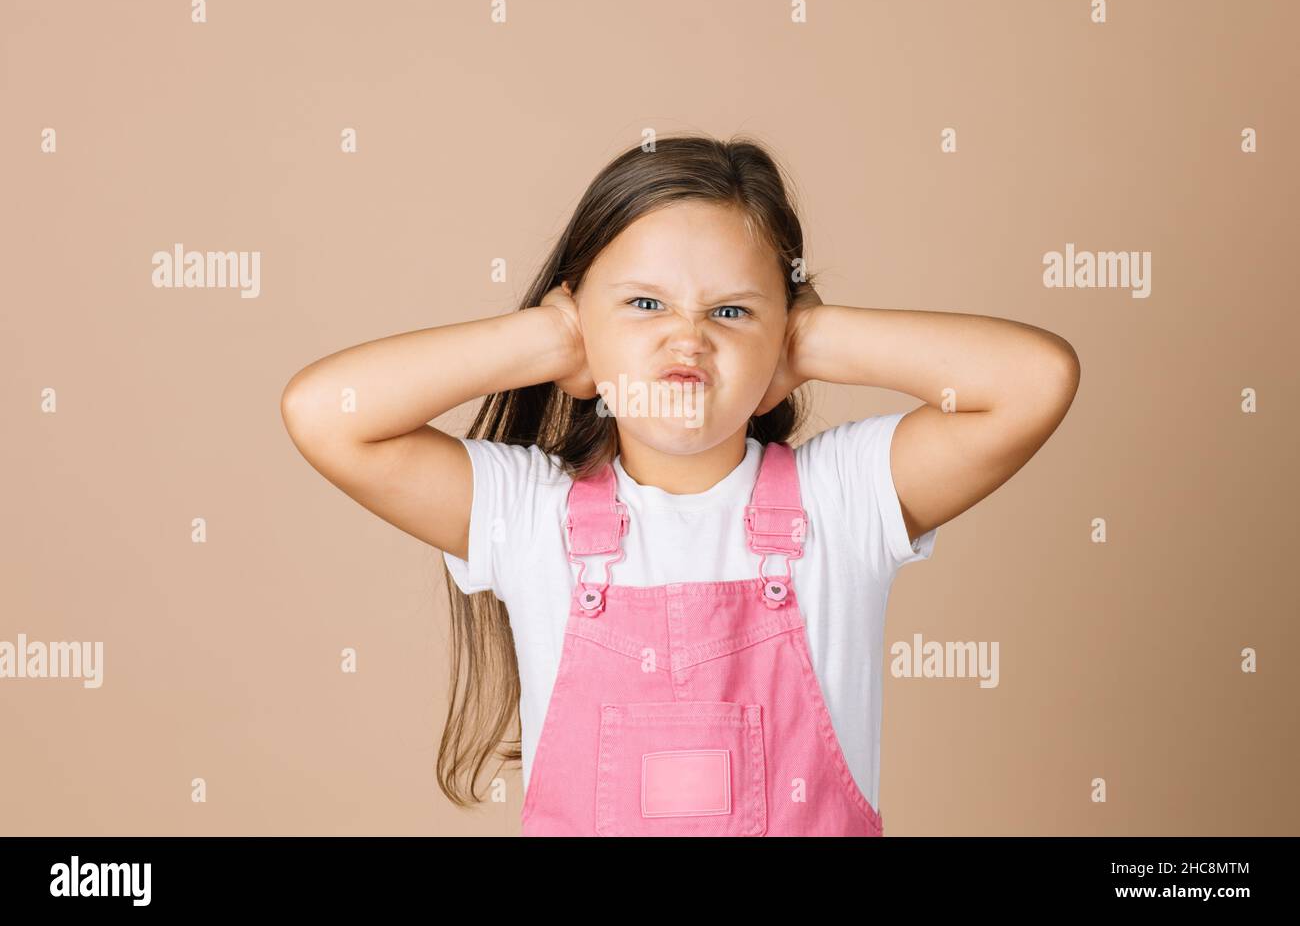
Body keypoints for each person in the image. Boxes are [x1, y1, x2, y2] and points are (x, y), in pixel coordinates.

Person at [280, 133, 1080, 836]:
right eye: (643, 303)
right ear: (579, 322)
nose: (686, 338)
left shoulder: (842, 501)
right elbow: (326, 414)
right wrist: (555, 339)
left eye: (730, 312)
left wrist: (809, 336)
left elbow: (1035, 380)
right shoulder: (530, 517)